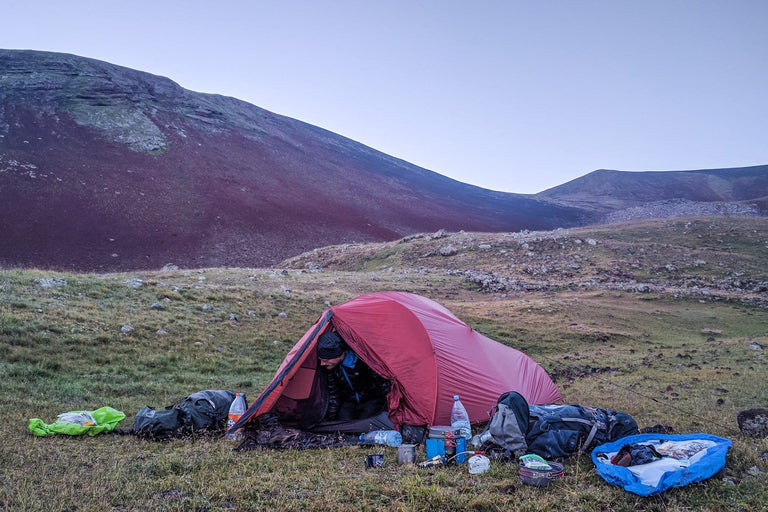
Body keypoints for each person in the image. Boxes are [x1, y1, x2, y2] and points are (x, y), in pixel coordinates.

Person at [316, 331, 390, 422]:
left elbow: (383, 384)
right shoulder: (331, 369)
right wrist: (329, 420)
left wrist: (390, 407)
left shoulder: (363, 361)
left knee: (365, 422)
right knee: (343, 423)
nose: (322, 364)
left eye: (326, 360)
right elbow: (333, 393)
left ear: (339, 355)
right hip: (349, 402)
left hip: (371, 400)